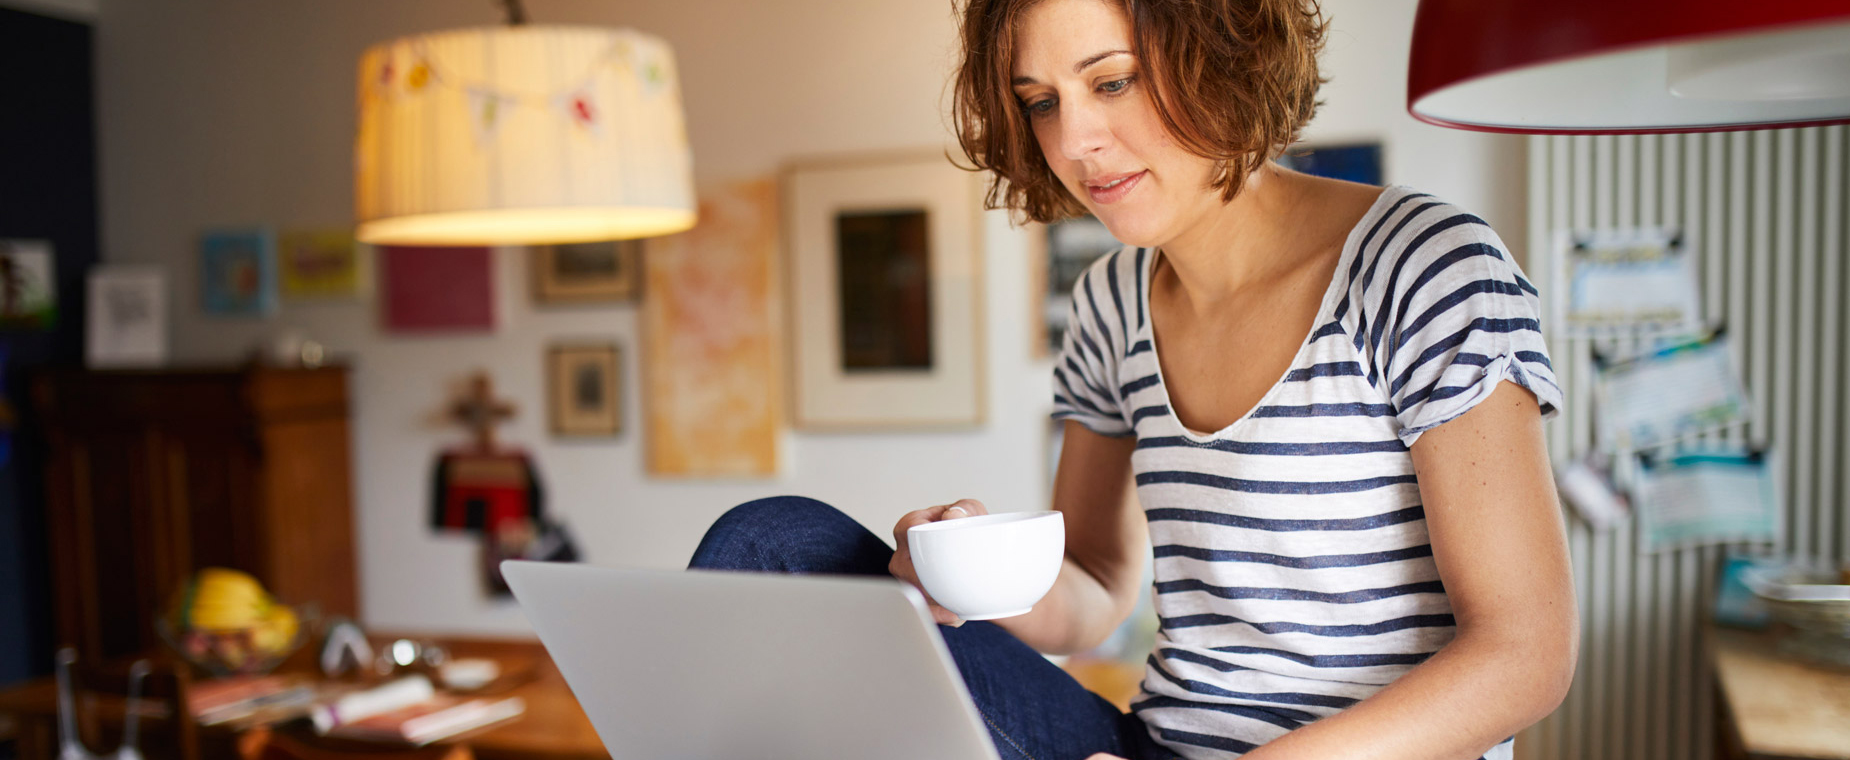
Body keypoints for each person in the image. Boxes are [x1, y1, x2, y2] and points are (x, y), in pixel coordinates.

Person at [688, 0, 1578, 757]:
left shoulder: (1424, 264)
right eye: (1041, 102)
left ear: (1220, 54)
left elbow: (1525, 653)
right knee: (773, 543)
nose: (1074, 141)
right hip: (1157, 742)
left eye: (1111, 81)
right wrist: (960, 583)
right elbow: (1095, 584)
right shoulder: (1113, 298)